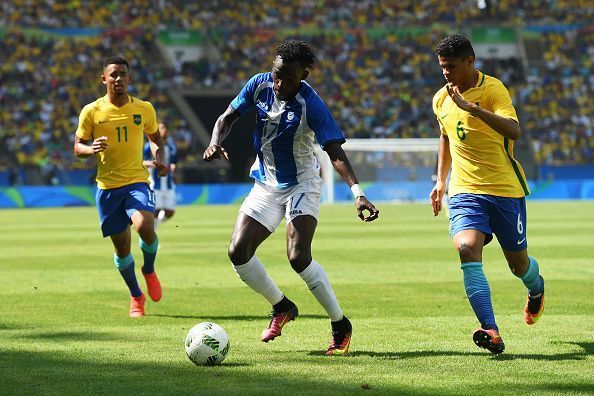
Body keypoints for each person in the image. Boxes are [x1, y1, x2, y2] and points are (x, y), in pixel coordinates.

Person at [203, 40, 379, 356]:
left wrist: (358, 193)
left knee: (298, 256)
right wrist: (215, 142)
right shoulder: (258, 85)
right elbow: (227, 117)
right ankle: (281, 306)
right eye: (276, 75)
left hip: (302, 184)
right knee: (238, 252)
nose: (279, 83)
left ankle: (340, 324)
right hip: (266, 183)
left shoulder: (311, 104)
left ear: (304, 74)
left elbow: (335, 151)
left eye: (288, 78)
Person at [429, 34, 545, 354]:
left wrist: (472, 109)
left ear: (470, 62)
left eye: (451, 66)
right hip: (465, 190)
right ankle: (491, 330)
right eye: (441, 68)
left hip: (504, 190)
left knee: (518, 266)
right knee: (466, 248)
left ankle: (536, 289)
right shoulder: (441, 99)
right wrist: (441, 180)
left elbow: (514, 130)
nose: (446, 73)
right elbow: (445, 135)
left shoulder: (493, 89)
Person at [74, 56, 168, 318]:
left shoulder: (144, 109)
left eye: (123, 74)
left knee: (145, 226)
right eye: (113, 74)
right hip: (107, 188)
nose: (118, 79)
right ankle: (136, 296)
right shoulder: (91, 111)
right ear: (104, 79)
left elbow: (156, 139)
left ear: (129, 78)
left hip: (136, 180)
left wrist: (159, 157)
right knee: (122, 248)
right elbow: (77, 146)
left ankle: (148, 269)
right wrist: (90, 148)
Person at [143, 121, 178, 228]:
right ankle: (152, 239)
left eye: (165, 128)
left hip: (168, 185)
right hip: (154, 185)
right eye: (161, 128)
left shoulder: (171, 146)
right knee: (155, 211)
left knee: (170, 212)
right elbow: (142, 162)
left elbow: (173, 161)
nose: (164, 130)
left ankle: (154, 225)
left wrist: (172, 166)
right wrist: (154, 164)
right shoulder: (149, 146)